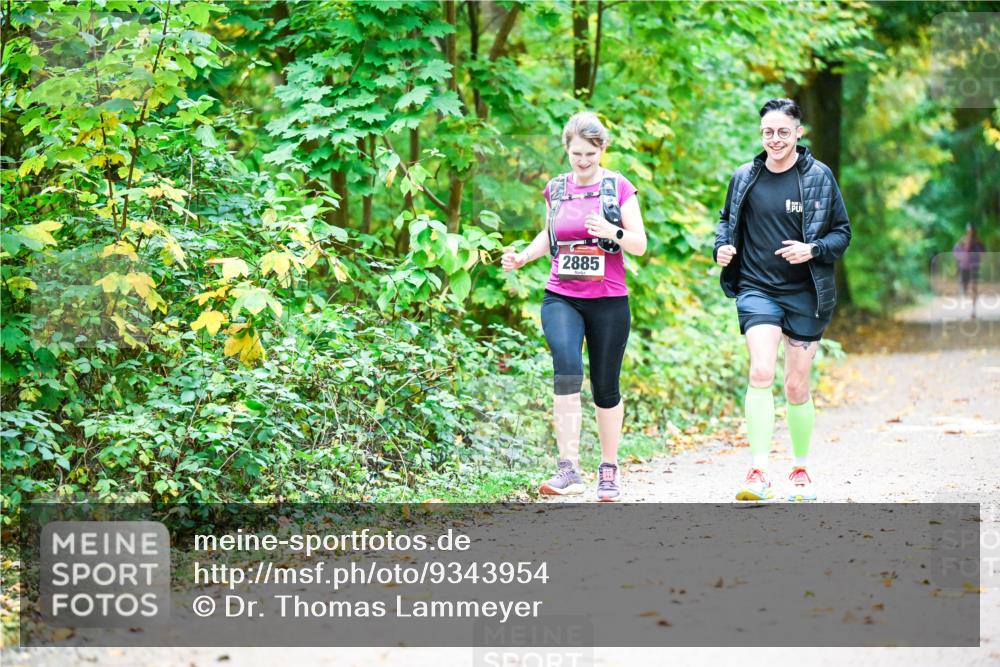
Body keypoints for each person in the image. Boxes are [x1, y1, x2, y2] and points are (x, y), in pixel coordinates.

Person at [502, 112, 647, 502]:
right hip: (562, 296)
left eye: (590, 154)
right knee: (566, 371)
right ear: (566, 149)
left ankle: (609, 468)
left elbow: (639, 243)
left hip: (609, 300)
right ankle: (568, 468)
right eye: (576, 153)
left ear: (603, 150)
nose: (583, 161)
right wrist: (523, 257)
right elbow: (548, 234)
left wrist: (612, 231)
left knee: (605, 387)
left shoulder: (618, 186)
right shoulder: (557, 188)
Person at [713, 98, 851, 502]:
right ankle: (758, 470)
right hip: (757, 288)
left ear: (798, 133)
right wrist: (722, 247)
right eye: (768, 132)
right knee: (760, 371)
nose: (775, 139)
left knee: (795, 385)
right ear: (762, 135)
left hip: (805, 292)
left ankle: (800, 469)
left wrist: (813, 250)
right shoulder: (744, 177)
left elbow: (842, 233)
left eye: (783, 132)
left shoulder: (819, 178)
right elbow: (726, 221)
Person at [953, 225, 985, 319]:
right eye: (969, 231)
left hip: (974, 267)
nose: (970, 233)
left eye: (972, 231)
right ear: (966, 231)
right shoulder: (962, 240)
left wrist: (979, 246)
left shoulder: (978, 242)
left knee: (974, 288)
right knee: (964, 288)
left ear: (975, 232)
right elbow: (955, 252)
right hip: (964, 267)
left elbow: (983, 254)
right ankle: (965, 300)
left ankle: (973, 311)